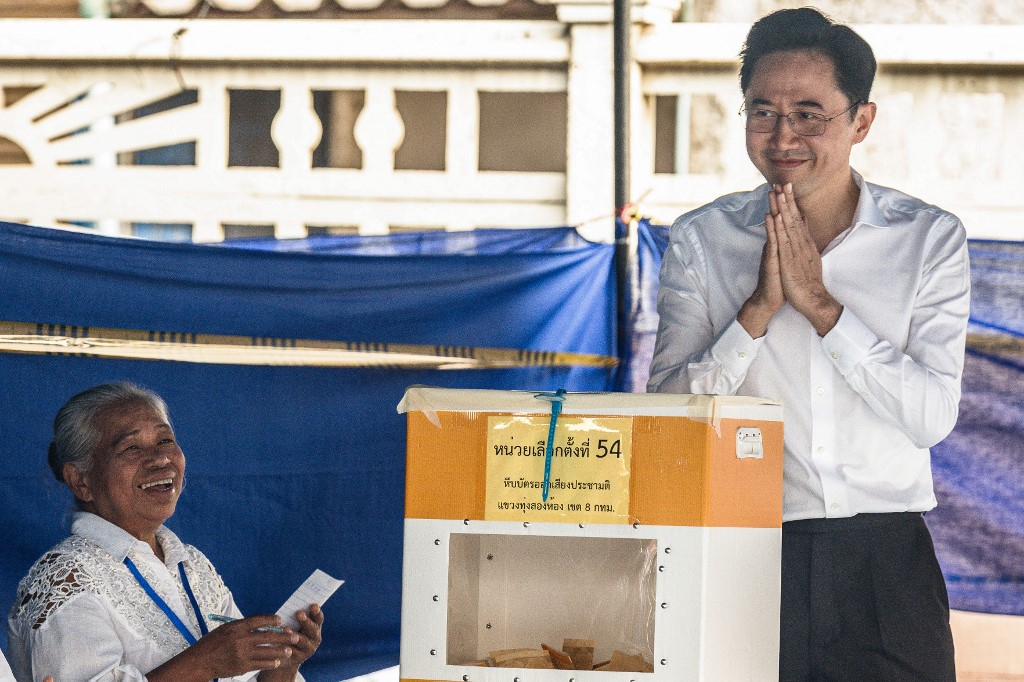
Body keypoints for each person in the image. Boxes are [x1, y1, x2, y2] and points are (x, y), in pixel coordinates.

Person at [648, 7, 969, 681]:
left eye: (809, 114)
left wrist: (822, 308)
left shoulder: (928, 239)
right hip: (742, 556)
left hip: (888, 561)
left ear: (861, 121)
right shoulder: (704, 241)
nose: (783, 135)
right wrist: (757, 314)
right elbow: (667, 419)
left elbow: (931, 417)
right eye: (762, 112)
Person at [7, 382, 324, 682]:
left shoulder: (192, 564)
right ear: (81, 481)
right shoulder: (66, 580)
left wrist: (284, 661)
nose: (160, 459)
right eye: (131, 447)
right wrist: (204, 661)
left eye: (165, 440)